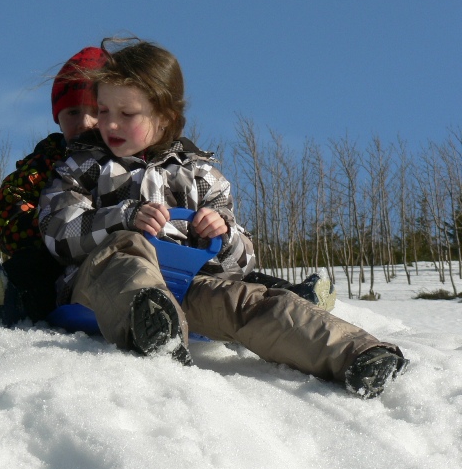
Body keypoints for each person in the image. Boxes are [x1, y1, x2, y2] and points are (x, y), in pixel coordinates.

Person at [38, 38, 408, 398]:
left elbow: (243, 261)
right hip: (103, 286)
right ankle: (147, 323)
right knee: (129, 250)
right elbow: (57, 231)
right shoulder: (83, 166)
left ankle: (357, 355)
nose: (110, 124)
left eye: (127, 114)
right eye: (104, 111)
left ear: (165, 117)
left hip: (186, 289)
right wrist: (123, 217)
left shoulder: (201, 176)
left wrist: (222, 233)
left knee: (253, 303)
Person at [0, 47, 106, 322]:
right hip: (54, 260)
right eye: (73, 112)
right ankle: (1, 295)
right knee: (32, 268)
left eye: (96, 112)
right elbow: (6, 209)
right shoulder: (47, 161)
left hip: (109, 259)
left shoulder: (126, 161)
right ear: (58, 117)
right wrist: (51, 227)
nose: (85, 123)